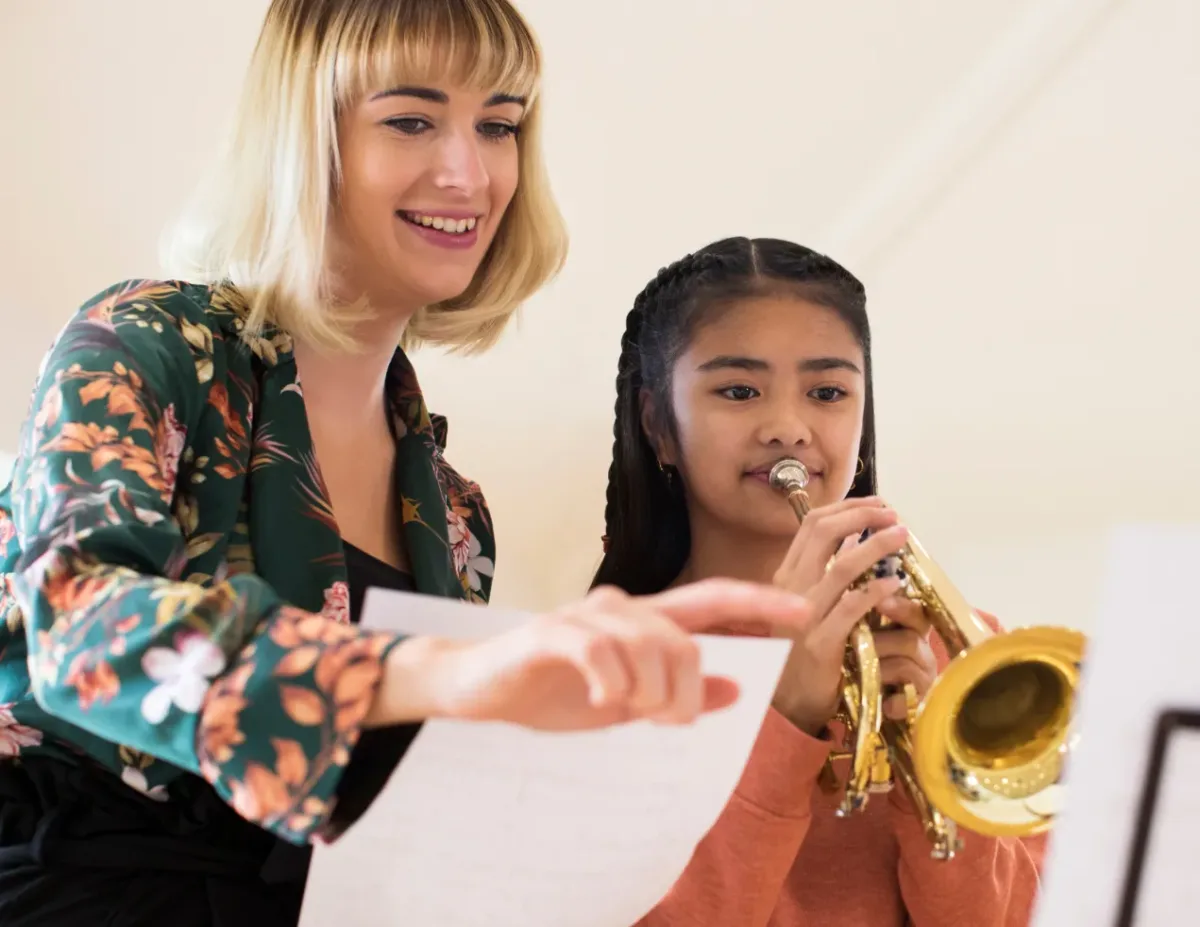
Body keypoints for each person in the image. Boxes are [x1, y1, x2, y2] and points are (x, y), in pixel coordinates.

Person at [0, 6, 820, 926]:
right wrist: (446, 671)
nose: (469, 172)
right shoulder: (149, 342)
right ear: (306, 140)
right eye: (411, 120)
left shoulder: (459, 519)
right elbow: (72, 618)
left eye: (499, 126)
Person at [592, 236, 1046, 926]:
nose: (787, 428)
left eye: (828, 392)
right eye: (738, 390)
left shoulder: (968, 650)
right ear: (658, 424)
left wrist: (939, 769)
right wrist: (786, 718)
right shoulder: (601, 669)